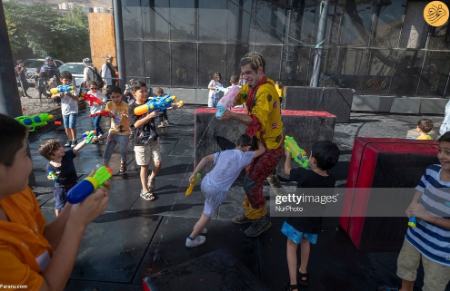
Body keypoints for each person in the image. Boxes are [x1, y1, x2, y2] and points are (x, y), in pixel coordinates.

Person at [0, 113, 109, 290]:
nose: (30, 163)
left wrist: (77, 199)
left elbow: (44, 238)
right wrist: (76, 224)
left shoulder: (18, 194)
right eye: (24, 155)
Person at [221, 52, 284, 237]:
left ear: (260, 71)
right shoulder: (253, 86)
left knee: (251, 183)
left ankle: (261, 219)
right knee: (250, 179)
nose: (245, 77)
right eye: (243, 73)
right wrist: (232, 98)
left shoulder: (265, 91)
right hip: (259, 143)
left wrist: (232, 114)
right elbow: (242, 94)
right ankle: (251, 213)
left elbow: (257, 120)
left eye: (249, 73)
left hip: (271, 147)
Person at [388, 131, 450, 291]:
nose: (441, 156)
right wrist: (412, 205)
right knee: (406, 268)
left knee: (433, 284)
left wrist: (427, 217)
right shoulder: (432, 170)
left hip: (441, 250)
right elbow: (420, 190)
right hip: (415, 236)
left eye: (448, 153)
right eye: (440, 150)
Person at [186, 135, 266, 248]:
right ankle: (191, 238)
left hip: (206, 182)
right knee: (207, 214)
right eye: (249, 147)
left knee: (208, 205)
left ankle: (201, 227)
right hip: (216, 190)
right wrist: (258, 138)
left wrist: (193, 174)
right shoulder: (245, 157)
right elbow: (262, 150)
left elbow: (205, 159)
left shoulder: (224, 153)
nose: (249, 149)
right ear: (246, 147)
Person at [282, 141, 340, 290]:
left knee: (291, 245)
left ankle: (293, 284)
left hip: (297, 220)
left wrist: (288, 156)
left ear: (313, 160)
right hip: (314, 221)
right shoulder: (331, 179)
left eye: (311, 154)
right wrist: (308, 166)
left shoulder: (304, 174)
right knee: (306, 242)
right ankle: (303, 271)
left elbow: (287, 171)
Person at [39, 138, 89, 216]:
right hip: (61, 189)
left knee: (77, 200)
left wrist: (85, 141)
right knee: (60, 205)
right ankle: (58, 218)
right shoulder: (50, 166)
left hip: (73, 184)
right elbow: (50, 175)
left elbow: (76, 148)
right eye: (58, 149)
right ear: (51, 155)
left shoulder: (67, 155)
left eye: (60, 146)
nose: (62, 148)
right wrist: (52, 176)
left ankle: (77, 214)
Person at [129, 81, 161, 201]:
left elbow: (161, 107)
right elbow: (135, 124)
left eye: (145, 90)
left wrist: (173, 106)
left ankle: (151, 178)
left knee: (158, 163)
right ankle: (144, 190)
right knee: (145, 166)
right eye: (141, 91)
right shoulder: (132, 107)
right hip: (140, 141)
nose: (144, 93)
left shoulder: (150, 103)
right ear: (134, 94)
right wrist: (148, 116)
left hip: (153, 138)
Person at [103, 87, 130, 174]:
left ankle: (123, 162)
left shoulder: (125, 105)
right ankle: (105, 166)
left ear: (121, 96)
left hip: (124, 132)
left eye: (117, 96)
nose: (115, 99)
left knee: (123, 150)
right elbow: (105, 114)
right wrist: (108, 114)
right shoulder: (109, 104)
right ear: (110, 97)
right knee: (108, 149)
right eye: (113, 97)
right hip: (113, 131)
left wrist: (126, 115)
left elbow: (131, 117)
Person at [52, 71, 78, 148]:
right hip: (64, 110)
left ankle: (74, 139)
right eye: (65, 80)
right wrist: (59, 94)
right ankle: (69, 140)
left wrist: (70, 95)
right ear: (61, 80)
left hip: (73, 109)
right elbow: (52, 96)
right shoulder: (59, 88)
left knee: (72, 126)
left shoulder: (72, 88)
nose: (67, 82)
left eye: (69, 80)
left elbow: (77, 99)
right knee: (66, 127)